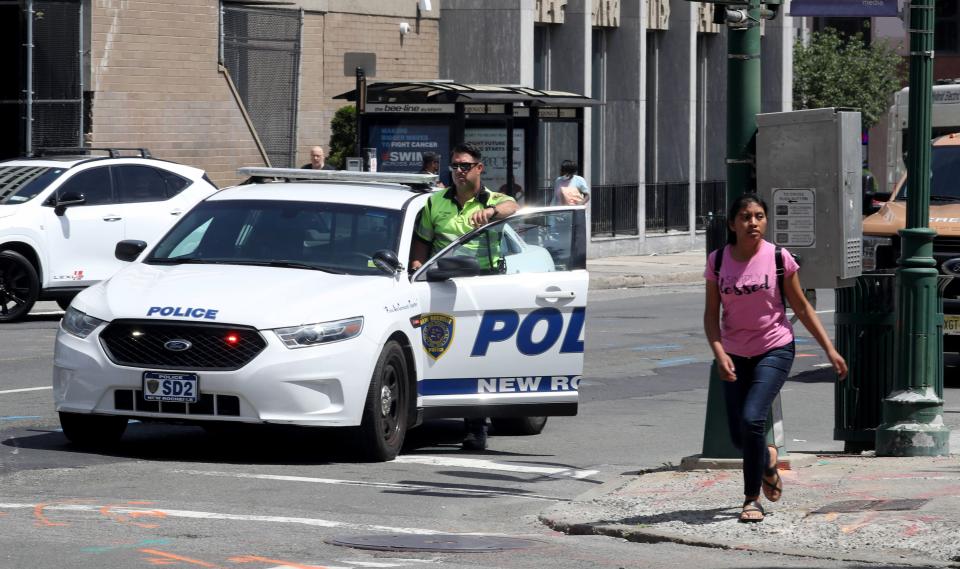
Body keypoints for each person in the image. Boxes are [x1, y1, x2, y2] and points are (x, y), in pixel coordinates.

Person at [703, 194, 847, 523]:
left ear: (765, 221)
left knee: (753, 419)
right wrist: (719, 351)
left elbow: (802, 307)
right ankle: (768, 459)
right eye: (744, 217)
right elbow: (711, 315)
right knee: (741, 436)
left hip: (775, 348)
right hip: (735, 353)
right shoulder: (718, 261)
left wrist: (830, 348)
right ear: (732, 224)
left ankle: (751, 499)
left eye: (758, 216)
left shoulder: (779, 259)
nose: (752, 223)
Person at [410, 142, 518, 451]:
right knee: (445, 352)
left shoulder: (494, 200)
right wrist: (418, 266)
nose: (459, 171)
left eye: (465, 166)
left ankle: (475, 426)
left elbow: (514, 207)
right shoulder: (436, 203)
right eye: (455, 165)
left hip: (484, 285)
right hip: (443, 285)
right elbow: (422, 242)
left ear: (479, 169)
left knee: (478, 358)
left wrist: (492, 212)